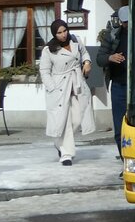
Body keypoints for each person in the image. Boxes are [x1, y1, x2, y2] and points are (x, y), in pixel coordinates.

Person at [39, 19, 95, 166]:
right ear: (54, 34)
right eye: (59, 33)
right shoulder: (49, 49)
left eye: (65, 31)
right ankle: (66, 154)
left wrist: (87, 63)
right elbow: (44, 71)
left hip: (77, 83)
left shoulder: (76, 40)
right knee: (63, 121)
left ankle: (59, 144)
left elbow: (84, 53)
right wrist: (53, 87)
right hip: (60, 87)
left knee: (77, 118)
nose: (63, 35)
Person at [97, 6, 130, 159]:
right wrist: (110, 58)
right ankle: (124, 159)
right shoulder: (111, 36)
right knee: (119, 128)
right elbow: (99, 58)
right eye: (124, 22)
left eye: (129, 21)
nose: (127, 25)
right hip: (119, 85)